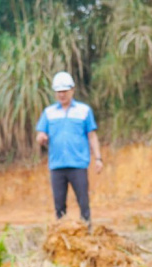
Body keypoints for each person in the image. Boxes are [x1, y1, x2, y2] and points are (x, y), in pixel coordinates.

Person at [35, 71, 103, 231]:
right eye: (59, 91)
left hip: (78, 164)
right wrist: (41, 137)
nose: (62, 94)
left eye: (65, 91)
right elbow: (40, 134)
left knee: (83, 203)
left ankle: (87, 233)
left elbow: (92, 136)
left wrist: (98, 158)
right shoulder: (49, 113)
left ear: (72, 90)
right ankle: (61, 236)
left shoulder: (84, 111)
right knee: (59, 206)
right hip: (57, 165)